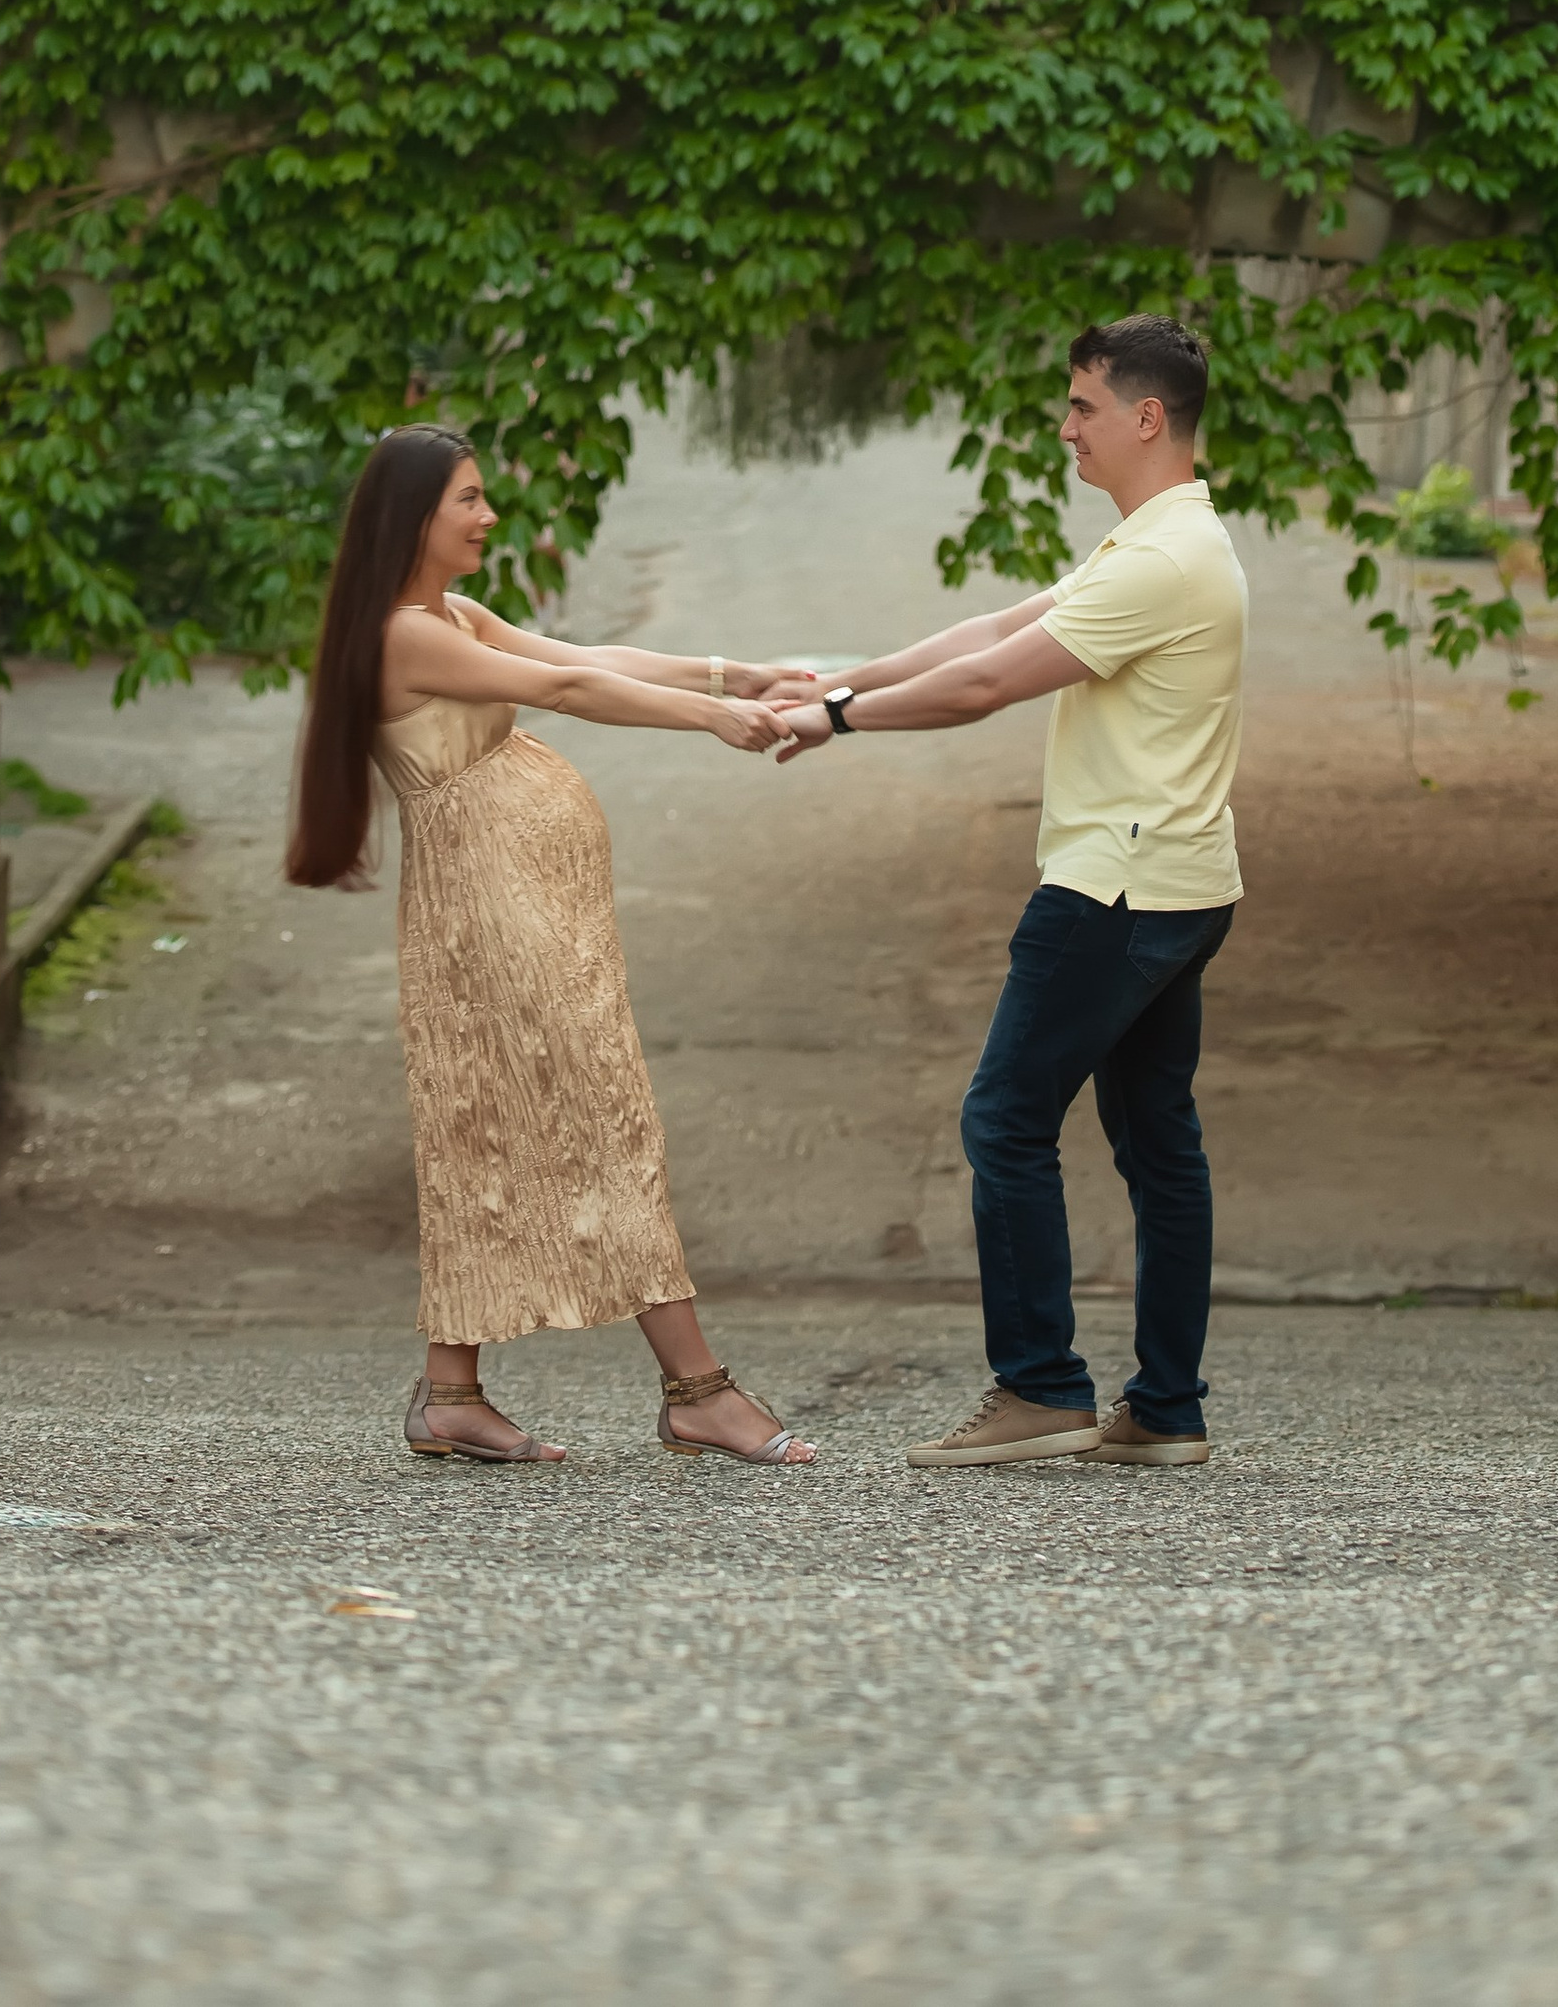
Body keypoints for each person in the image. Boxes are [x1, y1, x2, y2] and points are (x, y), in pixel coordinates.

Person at [286, 422, 818, 1466]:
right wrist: (707, 721)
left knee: (487, 1121)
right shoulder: (406, 634)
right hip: (491, 911)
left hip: (526, 901)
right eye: (469, 501)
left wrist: (732, 673)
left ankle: (452, 1392)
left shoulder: (448, 614)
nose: (489, 517)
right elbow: (568, 693)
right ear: (415, 518)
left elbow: (583, 655)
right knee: (596, 1118)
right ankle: (696, 1388)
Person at [773, 315, 1243, 1469]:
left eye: (1082, 406)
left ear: (1145, 418)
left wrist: (833, 721)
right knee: (1158, 1146)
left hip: (1116, 889)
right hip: (1175, 883)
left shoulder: (1163, 559)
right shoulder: (1155, 544)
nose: (1065, 427)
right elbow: (993, 628)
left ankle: (1040, 1390)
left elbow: (985, 683)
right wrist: (842, 678)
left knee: (1005, 1122)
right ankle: (1165, 1412)